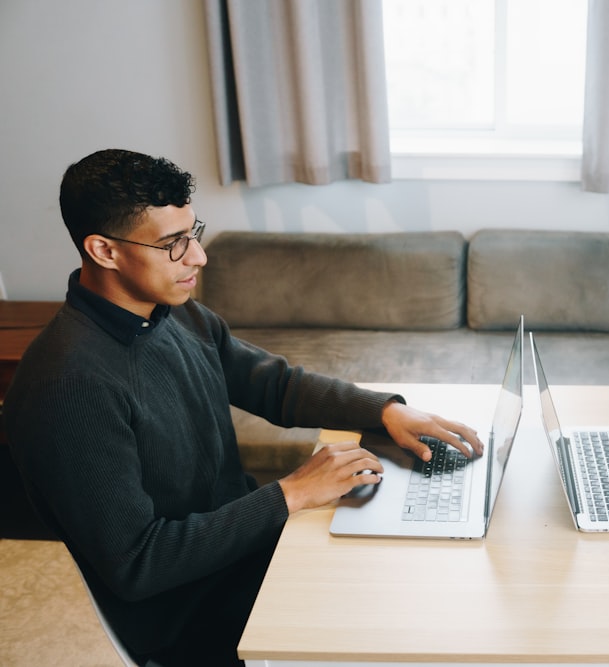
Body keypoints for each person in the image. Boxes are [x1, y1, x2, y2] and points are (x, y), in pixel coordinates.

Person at [4, 148, 484, 666]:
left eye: (193, 233)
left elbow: (274, 385)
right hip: (197, 615)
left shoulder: (172, 315)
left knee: (424, 569)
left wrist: (384, 411)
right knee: (405, 620)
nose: (198, 257)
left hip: (251, 553)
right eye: (173, 244)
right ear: (104, 250)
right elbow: (138, 563)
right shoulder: (69, 386)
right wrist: (293, 493)